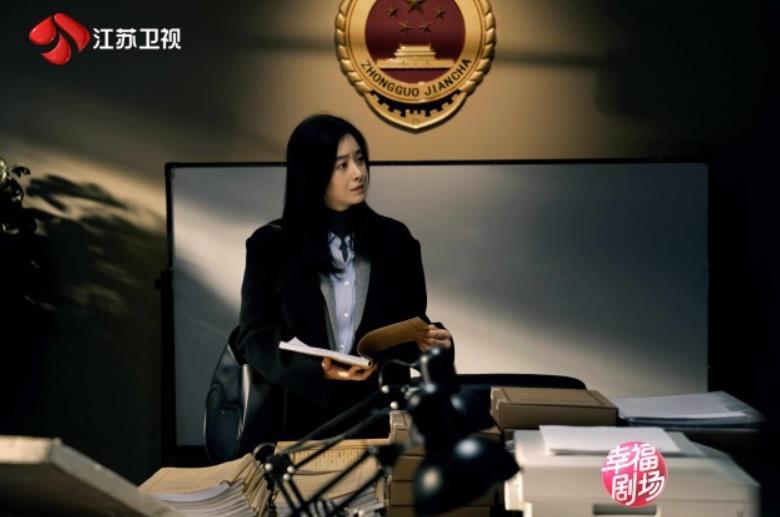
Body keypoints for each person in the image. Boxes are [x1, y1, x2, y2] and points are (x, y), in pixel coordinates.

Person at [235, 114, 453, 440]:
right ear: (312, 173)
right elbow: (253, 336)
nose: (358, 173)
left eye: (360, 160)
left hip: (378, 418)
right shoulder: (271, 245)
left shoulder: (396, 240)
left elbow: (407, 331)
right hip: (296, 420)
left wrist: (431, 344)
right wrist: (316, 371)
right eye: (342, 165)